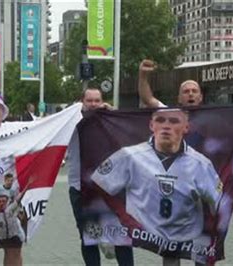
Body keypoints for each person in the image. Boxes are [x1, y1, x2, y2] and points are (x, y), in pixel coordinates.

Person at [91, 109, 223, 264]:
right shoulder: (130, 155)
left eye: (174, 121)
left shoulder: (201, 164)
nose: (166, 126)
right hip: (147, 229)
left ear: (186, 127)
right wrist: (123, 215)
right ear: (151, 125)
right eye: (160, 120)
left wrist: (211, 239)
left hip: (187, 229)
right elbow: (100, 182)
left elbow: (217, 204)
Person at [67, 86, 134, 266]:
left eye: (97, 100)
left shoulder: (111, 120)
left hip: (111, 188)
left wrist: (114, 115)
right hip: (81, 188)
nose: (94, 105)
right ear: (82, 102)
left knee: (121, 235)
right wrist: (75, 111)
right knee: (89, 237)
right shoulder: (72, 121)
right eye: (89, 101)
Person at [138, 59, 203, 108]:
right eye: (186, 91)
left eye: (194, 91)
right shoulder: (171, 114)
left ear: (200, 97)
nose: (190, 94)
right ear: (179, 98)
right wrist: (143, 75)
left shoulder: (211, 117)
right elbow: (148, 99)